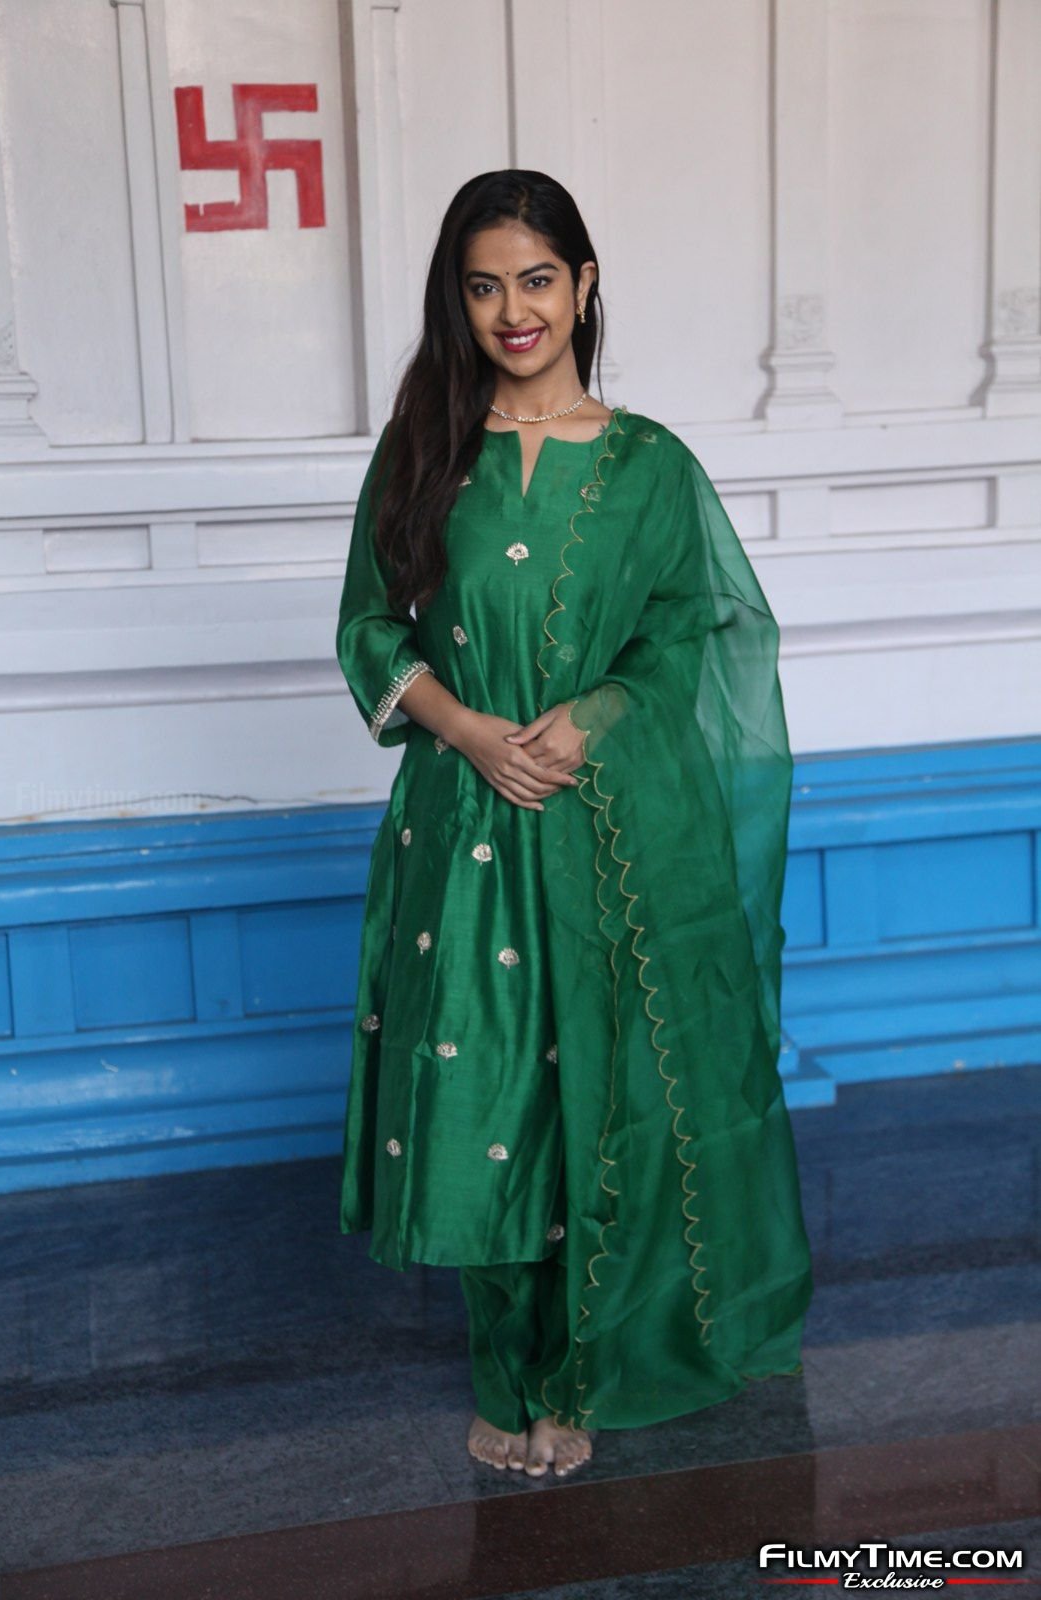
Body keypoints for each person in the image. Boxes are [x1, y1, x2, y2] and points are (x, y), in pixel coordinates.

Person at [335, 170, 813, 1481]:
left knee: (608, 1094)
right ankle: (510, 1374)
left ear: (584, 285)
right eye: (485, 285)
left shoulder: (650, 464)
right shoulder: (423, 450)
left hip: (611, 829)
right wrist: (468, 729)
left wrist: (594, 714)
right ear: (458, 299)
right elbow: (368, 626)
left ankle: (583, 1371)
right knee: (483, 1093)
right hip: (466, 826)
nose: (514, 311)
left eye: (538, 280)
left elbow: (697, 630)